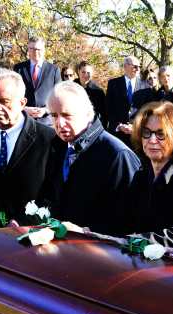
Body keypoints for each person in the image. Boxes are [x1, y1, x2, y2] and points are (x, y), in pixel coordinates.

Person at [40, 81, 141, 232]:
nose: (59, 123)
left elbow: (129, 219)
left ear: (87, 113)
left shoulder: (118, 155)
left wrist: (87, 232)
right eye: (54, 115)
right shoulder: (58, 146)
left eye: (67, 115)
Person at [0, 69, 55, 224]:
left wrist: (25, 222)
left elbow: (53, 191)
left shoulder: (48, 139)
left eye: (4, 101)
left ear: (22, 103)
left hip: (34, 230)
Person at [121, 101, 173, 249]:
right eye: (146, 133)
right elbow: (124, 220)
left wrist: (133, 242)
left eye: (161, 134)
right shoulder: (141, 176)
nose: (152, 140)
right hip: (137, 257)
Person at [13, 37, 61, 127]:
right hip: (24, 120)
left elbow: (58, 96)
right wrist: (24, 108)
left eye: (38, 49)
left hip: (47, 122)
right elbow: (13, 94)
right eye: (32, 49)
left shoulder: (54, 70)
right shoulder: (18, 68)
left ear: (44, 50)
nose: (35, 52)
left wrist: (45, 110)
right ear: (28, 49)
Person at [105, 55, 141, 140]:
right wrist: (119, 126)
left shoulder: (145, 85)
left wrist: (136, 126)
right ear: (125, 66)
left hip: (137, 134)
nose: (138, 69)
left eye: (139, 67)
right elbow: (108, 108)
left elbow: (147, 111)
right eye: (135, 66)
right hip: (117, 134)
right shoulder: (113, 84)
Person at [76, 61, 107, 129]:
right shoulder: (71, 87)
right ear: (78, 71)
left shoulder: (98, 92)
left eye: (88, 73)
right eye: (83, 72)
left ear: (92, 73)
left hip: (91, 127)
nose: (86, 75)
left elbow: (104, 114)